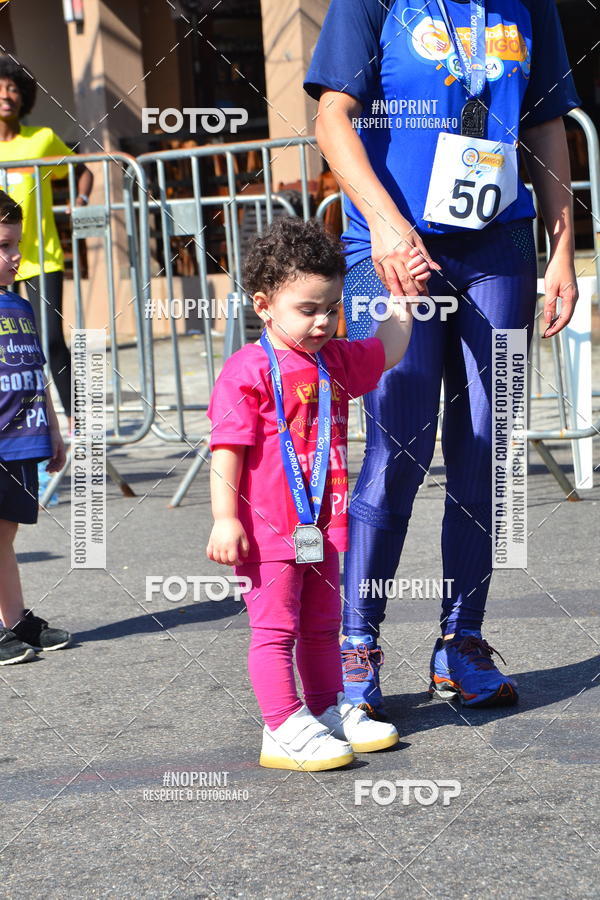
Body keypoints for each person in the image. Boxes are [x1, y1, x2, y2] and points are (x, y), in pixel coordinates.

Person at [304, 0, 580, 713]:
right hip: (392, 248)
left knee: (489, 446)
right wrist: (387, 225)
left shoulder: (530, 6)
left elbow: (546, 125)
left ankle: (462, 642)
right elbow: (332, 118)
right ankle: (357, 642)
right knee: (398, 448)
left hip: (500, 245)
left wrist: (562, 252)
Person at [206, 217, 425, 770]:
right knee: (275, 631)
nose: (323, 322)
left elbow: (388, 350)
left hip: (321, 528)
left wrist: (402, 299)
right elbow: (226, 451)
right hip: (266, 533)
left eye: (332, 308)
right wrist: (225, 519)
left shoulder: (335, 360)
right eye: (308, 310)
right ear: (264, 306)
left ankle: (327, 709)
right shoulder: (247, 371)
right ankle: (281, 725)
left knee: (324, 627)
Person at [0, 54, 93, 501]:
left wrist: (79, 199)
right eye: (0, 88)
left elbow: (82, 168)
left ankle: (77, 425)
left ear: (24, 96)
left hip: (41, 258)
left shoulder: (41, 139)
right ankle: (18, 441)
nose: (6, 94)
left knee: (49, 341)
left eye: (13, 88)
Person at [0, 190, 70, 664]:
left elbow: (36, 373)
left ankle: (15, 620)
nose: (16, 255)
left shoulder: (19, 306)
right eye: (4, 246)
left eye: (17, 244)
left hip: (21, 442)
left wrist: (54, 431)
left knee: (5, 535)